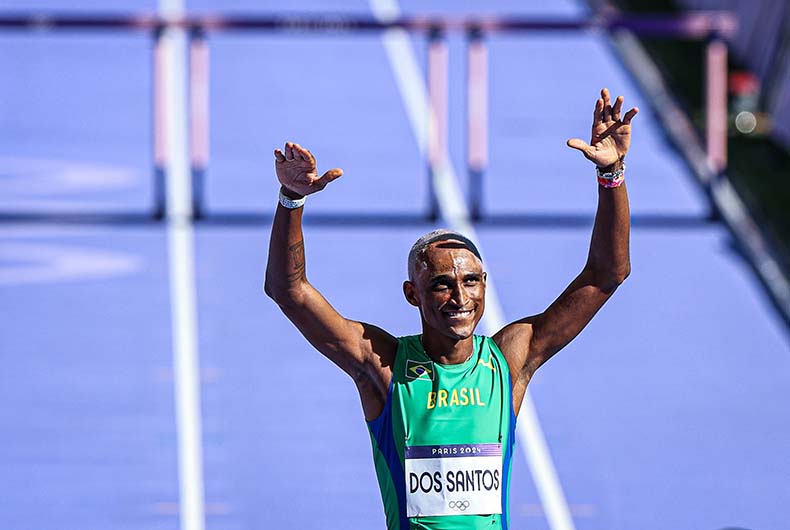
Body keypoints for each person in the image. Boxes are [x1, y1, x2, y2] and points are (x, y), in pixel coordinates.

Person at [265, 88, 638, 530]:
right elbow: (288, 291)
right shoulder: (382, 365)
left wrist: (611, 173)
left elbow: (606, 274)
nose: (460, 298)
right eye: (441, 285)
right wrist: (292, 199)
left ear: (484, 284)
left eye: (470, 281)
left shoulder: (509, 360)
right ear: (412, 294)